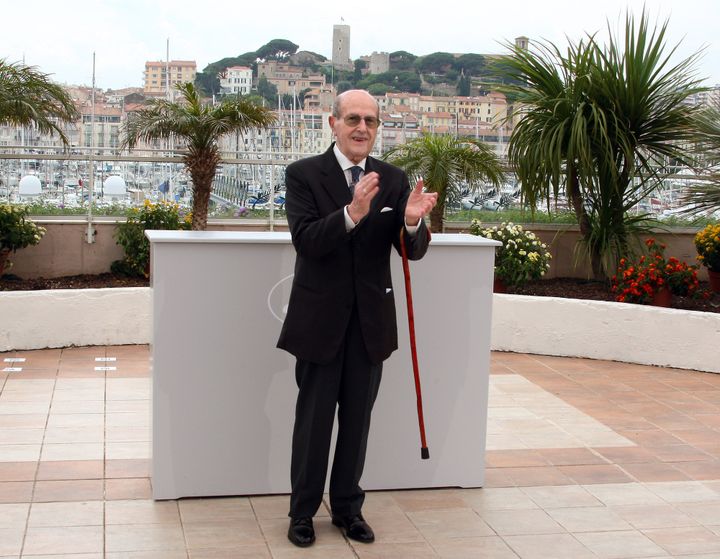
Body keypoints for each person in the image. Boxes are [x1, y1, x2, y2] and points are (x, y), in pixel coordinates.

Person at [277, 89, 437, 547]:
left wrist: (409, 222)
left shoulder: (393, 177)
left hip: (370, 326)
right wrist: (351, 213)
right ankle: (302, 513)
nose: (361, 128)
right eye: (352, 119)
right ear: (333, 123)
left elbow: (413, 252)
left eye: (370, 120)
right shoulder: (304, 174)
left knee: (357, 424)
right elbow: (306, 241)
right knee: (313, 425)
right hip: (319, 322)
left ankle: (348, 509)